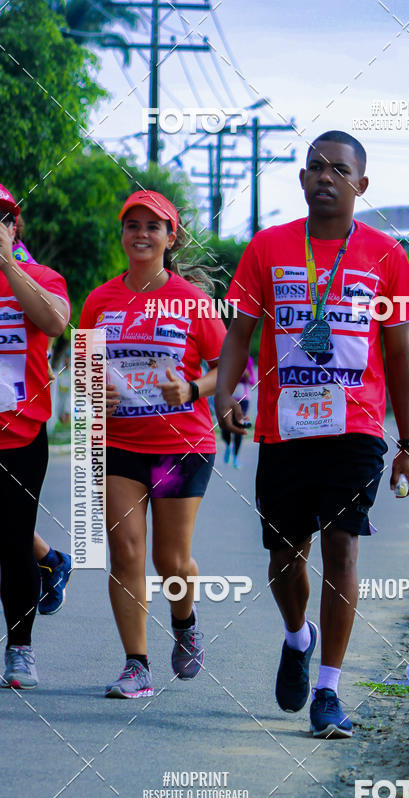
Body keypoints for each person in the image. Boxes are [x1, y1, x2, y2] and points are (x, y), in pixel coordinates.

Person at [216, 130, 409, 738]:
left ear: (362, 184)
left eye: (338, 168)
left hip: (356, 427)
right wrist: (226, 394)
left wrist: (408, 444)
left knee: (342, 548)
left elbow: (400, 350)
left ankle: (329, 688)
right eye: (313, 168)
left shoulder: (386, 255)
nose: (324, 177)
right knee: (284, 557)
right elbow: (239, 334)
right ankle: (296, 636)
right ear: (301, 180)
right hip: (285, 428)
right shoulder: (269, 247)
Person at [79, 191, 226, 698]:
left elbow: (228, 369)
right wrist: (98, 394)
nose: (140, 234)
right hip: (119, 444)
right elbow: (83, 373)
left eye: (152, 226)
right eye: (132, 225)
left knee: (171, 560)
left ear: (170, 237)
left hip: (180, 445)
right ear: (123, 235)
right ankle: (136, 665)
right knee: (125, 551)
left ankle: (184, 622)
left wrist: (188, 390)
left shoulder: (192, 300)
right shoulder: (99, 300)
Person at [0, 184, 70, 689]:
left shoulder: (40, 277)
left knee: (9, 540)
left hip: (20, 432)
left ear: (14, 226)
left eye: (2, 219)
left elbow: (55, 320)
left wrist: (7, 265)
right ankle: (49, 561)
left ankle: (20, 648)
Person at [221, 356, 255, 468]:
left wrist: (247, 376)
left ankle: (236, 457)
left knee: (239, 427)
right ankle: (227, 445)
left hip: (243, 399)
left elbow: (252, 381)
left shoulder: (248, 360)